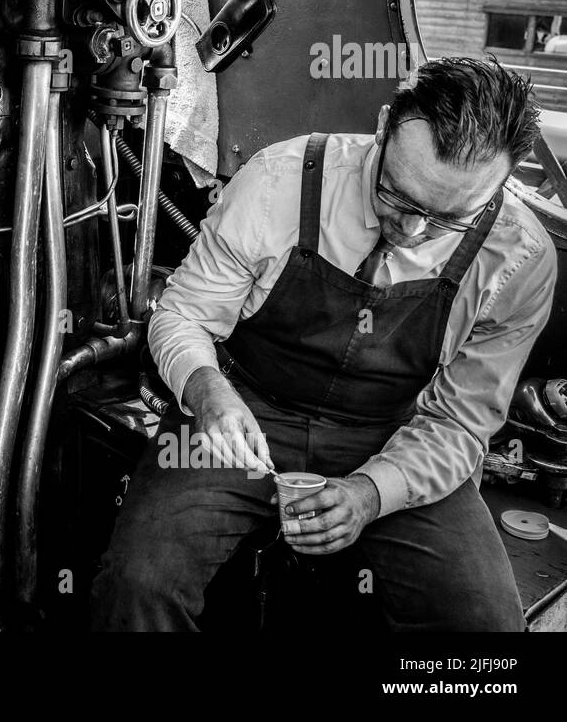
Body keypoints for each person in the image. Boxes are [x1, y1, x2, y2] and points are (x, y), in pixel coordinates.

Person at [92, 57, 557, 631]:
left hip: (397, 435)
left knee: (483, 628)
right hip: (242, 414)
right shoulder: (279, 181)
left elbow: (461, 424)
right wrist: (207, 389)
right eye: (399, 198)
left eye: (449, 220)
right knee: (138, 584)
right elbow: (183, 314)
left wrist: (369, 493)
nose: (411, 232)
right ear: (385, 127)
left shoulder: (520, 259)